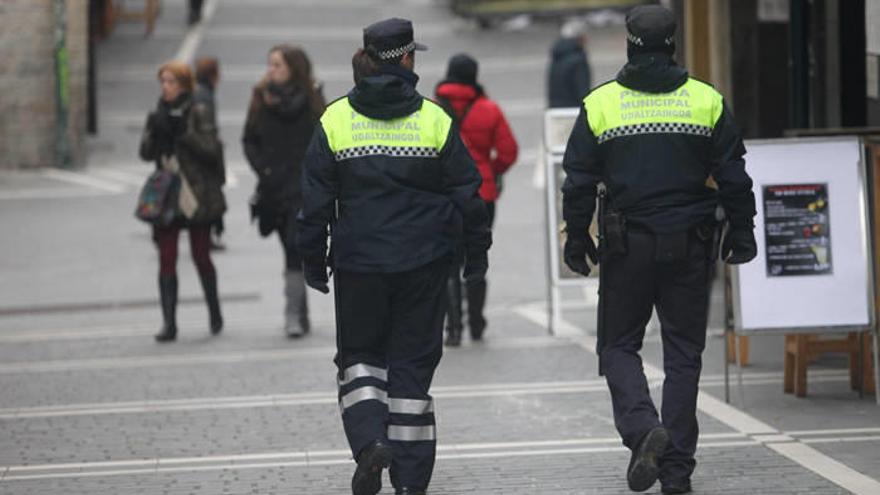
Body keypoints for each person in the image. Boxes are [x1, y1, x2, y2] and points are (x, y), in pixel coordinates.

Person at [561, 6, 756, 494]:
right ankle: (675, 475)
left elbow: (579, 180)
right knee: (684, 356)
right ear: (673, 45)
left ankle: (643, 428)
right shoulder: (705, 100)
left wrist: (578, 237)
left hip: (628, 246)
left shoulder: (601, 104)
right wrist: (743, 230)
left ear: (629, 45)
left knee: (617, 346)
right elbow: (733, 174)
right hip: (691, 243)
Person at [297, 18, 490, 495]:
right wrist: (476, 256)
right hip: (424, 264)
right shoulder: (435, 119)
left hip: (359, 263)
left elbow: (315, 201)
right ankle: (410, 480)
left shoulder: (335, 119)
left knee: (360, 359)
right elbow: (470, 193)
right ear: (406, 59)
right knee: (411, 367)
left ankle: (368, 443)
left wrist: (313, 261)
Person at [434, 53, 518, 346]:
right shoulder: (488, 109)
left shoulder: (433, 110)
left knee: (449, 262)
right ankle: (477, 323)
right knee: (476, 256)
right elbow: (509, 151)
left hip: (446, 196)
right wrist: (490, 172)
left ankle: (453, 327)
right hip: (482, 195)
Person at [139, 61, 227, 342]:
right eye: (162, 81)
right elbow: (145, 153)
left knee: (201, 255)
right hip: (166, 194)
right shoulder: (158, 114)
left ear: (183, 84)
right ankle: (169, 323)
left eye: (170, 81)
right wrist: (152, 131)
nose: (165, 87)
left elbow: (213, 150)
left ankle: (215, 313)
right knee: (167, 258)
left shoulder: (198, 112)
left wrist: (186, 134)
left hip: (195, 192)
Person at [243, 45, 325, 338]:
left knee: (294, 245)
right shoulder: (261, 99)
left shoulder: (313, 99)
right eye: (270, 64)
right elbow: (249, 138)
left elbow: (325, 139)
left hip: (303, 189)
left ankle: (292, 314)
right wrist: (263, 167)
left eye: (277, 64)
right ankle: (300, 313)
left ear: (293, 67)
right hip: (273, 188)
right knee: (289, 248)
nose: (271, 70)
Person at [193, 57, 227, 251]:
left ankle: (207, 235)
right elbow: (207, 126)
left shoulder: (200, 90)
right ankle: (207, 235)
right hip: (205, 151)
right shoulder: (204, 95)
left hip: (203, 149)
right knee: (210, 194)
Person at [548, 17, 593, 108]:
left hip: (555, 109)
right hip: (573, 110)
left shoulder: (557, 56)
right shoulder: (578, 60)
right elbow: (583, 91)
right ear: (580, 38)